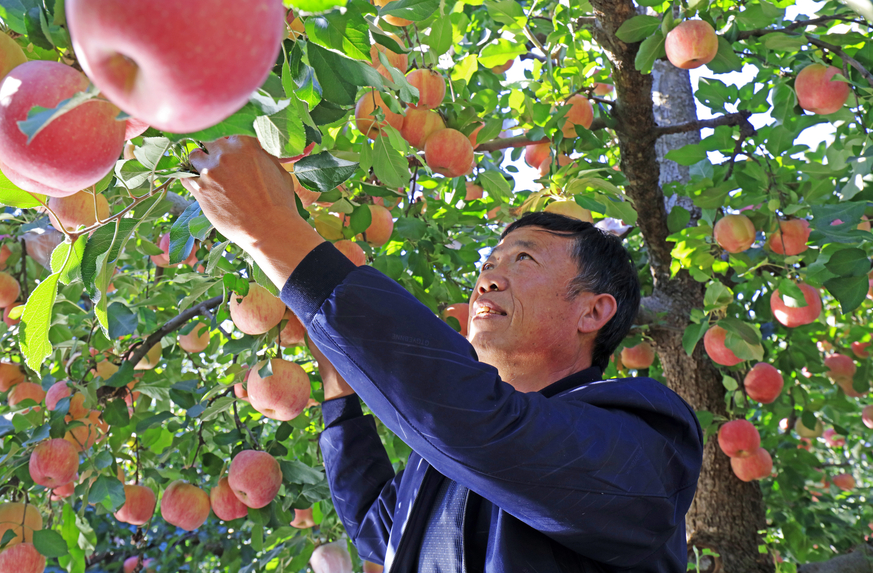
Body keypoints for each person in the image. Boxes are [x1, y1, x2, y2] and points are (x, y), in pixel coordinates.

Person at [182, 137, 703, 572]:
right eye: (488, 263)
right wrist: (338, 383)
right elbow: (376, 528)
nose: (488, 279)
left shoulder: (647, 437)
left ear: (593, 312)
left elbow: (484, 427)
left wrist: (273, 230)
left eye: (523, 259)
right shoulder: (450, 458)